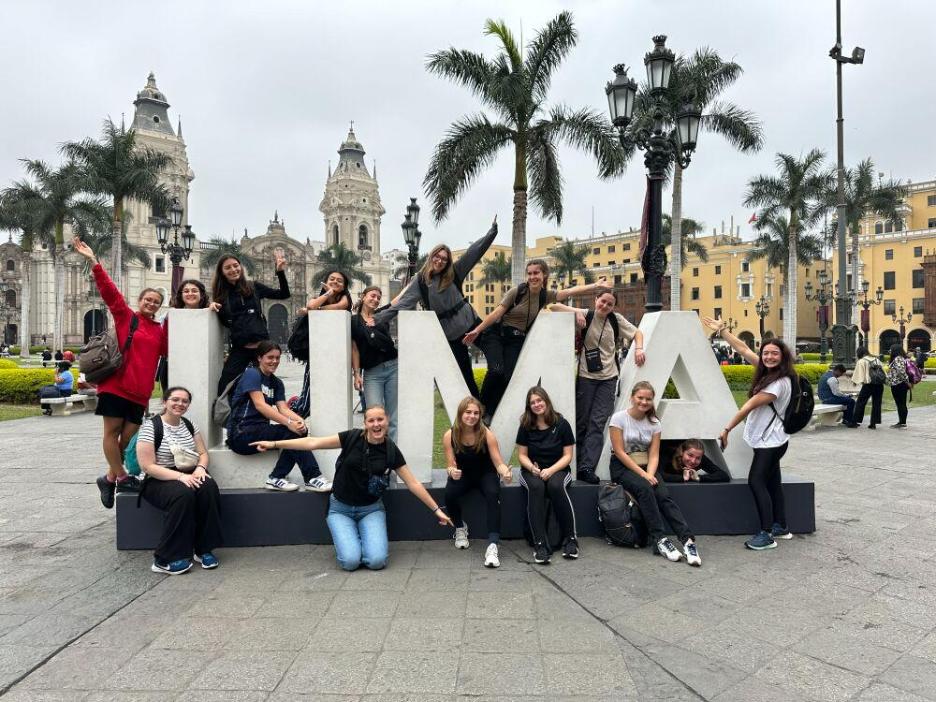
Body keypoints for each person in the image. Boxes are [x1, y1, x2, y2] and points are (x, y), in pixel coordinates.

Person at [252, 405, 454, 571]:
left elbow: (413, 483)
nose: (376, 424)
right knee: (350, 562)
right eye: (371, 420)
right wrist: (274, 443)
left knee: (376, 562)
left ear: (387, 421)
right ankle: (352, 540)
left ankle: (362, 538)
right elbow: (313, 443)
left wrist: (436, 510)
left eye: (380, 420)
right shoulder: (351, 438)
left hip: (371, 509)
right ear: (365, 424)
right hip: (340, 509)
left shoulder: (391, 450)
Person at [73, 237, 168, 510]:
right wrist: (94, 262)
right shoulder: (128, 317)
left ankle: (108, 478)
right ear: (140, 301)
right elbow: (110, 293)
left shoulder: (159, 332)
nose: (151, 304)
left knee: (127, 440)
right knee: (112, 432)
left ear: (160, 306)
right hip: (116, 385)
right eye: (148, 300)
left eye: (156, 302)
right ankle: (123, 477)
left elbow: (170, 350)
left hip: (140, 392)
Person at [464, 260, 608, 417]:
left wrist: (595, 286)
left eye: (536, 273)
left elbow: (569, 292)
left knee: (508, 377)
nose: (532, 277)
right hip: (497, 335)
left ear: (544, 274)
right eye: (530, 273)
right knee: (496, 370)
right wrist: (477, 330)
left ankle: (492, 412)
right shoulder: (517, 292)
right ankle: (480, 406)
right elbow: (497, 313)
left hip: (516, 341)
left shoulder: (545, 296)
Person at [375, 218, 499, 399]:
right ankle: (477, 410)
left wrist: (491, 232)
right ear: (431, 256)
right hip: (451, 337)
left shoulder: (454, 272)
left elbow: (474, 253)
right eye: (437, 256)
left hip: (472, 324)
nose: (440, 261)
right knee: (465, 377)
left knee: (497, 367)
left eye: (444, 259)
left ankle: (490, 404)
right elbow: (403, 304)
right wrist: (377, 319)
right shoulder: (421, 281)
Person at [703, 315, 795, 551]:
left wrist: (726, 429)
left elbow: (748, 406)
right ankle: (781, 526)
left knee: (756, 481)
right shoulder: (767, 372)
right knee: (773, 482)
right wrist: (722, 331)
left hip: (770, 442)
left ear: (783, 357)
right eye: (766, 353)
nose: (769, 357)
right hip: (770, 438)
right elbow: (743, 348)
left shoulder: (779, 382)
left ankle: (766, 534)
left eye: (775, 353)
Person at [553, 290, 644, 484]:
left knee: (597, 424)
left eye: (609, 304)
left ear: (613, 307)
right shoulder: (587, 314)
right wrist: (576, 311)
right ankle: (573, 463)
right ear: (596, 300)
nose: (604, 306)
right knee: (581, 422)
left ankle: (587, 467)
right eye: (602, 301)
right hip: (586, 377)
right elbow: (554, 306)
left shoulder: (616, 319)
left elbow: (637, 332)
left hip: (608, 380)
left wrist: (639, 348)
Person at [608, 381, 701, 566]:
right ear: (632, 398)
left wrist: (650, 473)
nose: (644, 402)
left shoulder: (654, 422)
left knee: (663, 496)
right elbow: (619, 452)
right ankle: (660, 540)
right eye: (640, 398)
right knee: (645, 489)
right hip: (622, 466)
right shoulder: (618, 419)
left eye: (648, 399)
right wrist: (644, 476)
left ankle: (687, 541)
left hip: (646, 466)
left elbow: (654, 454)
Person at [136, 386, 222, 575]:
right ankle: (164, 558)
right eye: (175, 399)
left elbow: (202, 453)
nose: (180, 404)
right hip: (158, 478)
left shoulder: (189, 424)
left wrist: (200, 468)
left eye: (184, 401)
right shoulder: (151, 426)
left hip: (189, 472)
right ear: (165, 402)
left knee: (208, 487)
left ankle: (204, 549)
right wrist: (181, 477)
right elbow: (147, 466)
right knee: (182, 494)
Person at [225, 341, 331, 492]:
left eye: (277, 358)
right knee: (290, 431)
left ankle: (277, 477)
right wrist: (289, 423)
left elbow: (283, 408)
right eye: (270, 357)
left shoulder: (276, 382)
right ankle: (312, 476)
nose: (274, 361)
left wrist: (299, 421)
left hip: (260, 432)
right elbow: (260, 405)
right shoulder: (252, 374)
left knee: (299, 431)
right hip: (241, 434)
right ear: (259, 358)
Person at [442, 396, 512, 568]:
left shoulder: (487, 434)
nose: (472, 416)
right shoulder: (450, 435)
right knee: (450, 494)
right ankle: (460, 528)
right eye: (468, 412)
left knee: (493, 493)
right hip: (463, 474)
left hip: (485, 473)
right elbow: (450, 464)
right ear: (460, 414)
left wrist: (506, 473)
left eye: (475, 413)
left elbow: (498, 462)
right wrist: (452, 472)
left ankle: (493, 544)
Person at [212, 252, 290, 396]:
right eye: (228, 267)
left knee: (264, 388)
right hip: (240, 349)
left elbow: (284, 294)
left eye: (236, 266)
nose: (233, 270)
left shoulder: (253, 287)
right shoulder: (221, 296)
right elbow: (224, 322)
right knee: (225, 386)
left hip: (261, 348)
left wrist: (280, 272)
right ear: (222, 272)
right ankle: (228, 416)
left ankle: (260, 416)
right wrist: (210, 308)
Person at [515, 386, 577, 564]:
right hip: (532, 470)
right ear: (529, 406)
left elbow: (568, 456)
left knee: (556, 486)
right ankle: (540, 544)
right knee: (536, 487)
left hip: (558, 469)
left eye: (539, 400)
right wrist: (532, 469)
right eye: (532, 402)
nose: (537, 404)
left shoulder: (561, 423)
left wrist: (551, 470)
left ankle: (571, 540)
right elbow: (522, 455)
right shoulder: (526, 425)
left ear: (546, 401)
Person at [290, 270, 353, 418]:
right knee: (309, 394)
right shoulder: (322, 297)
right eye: (332, 279)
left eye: (339, 280)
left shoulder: (345, 298)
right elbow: (311, 305)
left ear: (344, 286)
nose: (335, 282)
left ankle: (294, 406)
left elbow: (340, 307)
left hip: (336, 355)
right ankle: (294, 416)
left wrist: (316, 310)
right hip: (316, 353)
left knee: (330, 396)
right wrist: (327, 294)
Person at [351, 286, 398, 440]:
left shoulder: (381, 315)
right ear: (363, 297)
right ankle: (376, 455)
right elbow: (355, 349)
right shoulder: (353, 321)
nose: (376, 299)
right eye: (373, 296)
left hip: (393, 368)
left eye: (379, 297)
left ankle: (392, 456)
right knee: (374, 416)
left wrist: (415, 280)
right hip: (372, 373)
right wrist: (357, 374)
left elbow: (396, 301)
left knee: (392, 417)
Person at [158, 279, 220, 393]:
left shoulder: (211, 314)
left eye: (194, 291)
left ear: (201, 294)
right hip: (172, 366)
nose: (190, 293)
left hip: (201, 368)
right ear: (181, 295)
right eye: (186, 291)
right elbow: (163, 343)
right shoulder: (171, 315)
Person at [661, 439, 731, 483]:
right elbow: (659, 475)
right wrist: (682, 478)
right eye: (690, 455)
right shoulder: (669, 454)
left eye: (698, 458)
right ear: (682, 452)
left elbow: (723, 475)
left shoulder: (701, 458)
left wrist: (698, 477)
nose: (693, 461)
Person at [852, 345, 885, 429]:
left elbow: (858, 374)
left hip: (868, 385)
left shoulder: (862, 361)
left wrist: (855, 382)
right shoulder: (877, 360)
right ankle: (873, 424)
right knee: (876, 404)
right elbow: (883, 371)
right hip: (879, 384)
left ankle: (855, 421)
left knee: (860, 402)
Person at [887, 344, 911, 429]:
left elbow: (901, 371)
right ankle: (901, 422)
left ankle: (902, 423)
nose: (889, 351)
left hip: (899, 384)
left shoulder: (898, 359)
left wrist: (907, 381)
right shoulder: (900, 358)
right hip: (898, 384)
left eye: (891, 349)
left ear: (895, 350)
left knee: (901, 403)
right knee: (901, 403)